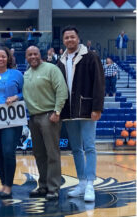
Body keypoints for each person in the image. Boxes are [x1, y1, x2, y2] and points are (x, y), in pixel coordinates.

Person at [57, 26, 105, 202]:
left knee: (90, 147)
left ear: (78, 38)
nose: (69, 40)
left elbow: (99, 83)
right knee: (76, 149)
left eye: (72, 37)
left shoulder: (90, 57)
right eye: (66, 37)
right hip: (69, 112)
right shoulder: (60, 61)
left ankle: (91, 184)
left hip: (86, 110)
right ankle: (82, 182)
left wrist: (97, 108)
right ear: (63, 41)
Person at [23, 46, 68, 200]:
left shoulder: (51, 69)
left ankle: (53, 188)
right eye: (30, 55)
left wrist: (57, 111)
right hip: (34, 118)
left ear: (40, 55)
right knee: (39, 154)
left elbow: (61, 90)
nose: (33, 57)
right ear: (26, 57)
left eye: (35, 54)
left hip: (49, 116)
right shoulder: (26, 73)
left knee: (52, 153)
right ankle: (43, 185)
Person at [0, 46, 23, 198]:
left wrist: (16, 97)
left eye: (3, 56)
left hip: (12, 118)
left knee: (8, 151)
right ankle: (3, 184)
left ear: (8, 58)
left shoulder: (17, 74)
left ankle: (9, 186)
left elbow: (25, 92)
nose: (0, 59)